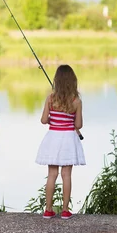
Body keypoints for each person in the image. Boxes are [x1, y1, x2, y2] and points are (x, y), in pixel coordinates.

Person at [35, 64, 85, 219]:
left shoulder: (50, 99)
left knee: (52, 174)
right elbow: (78, 125)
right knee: (66, 175)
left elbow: (43, 120)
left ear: (56, 80)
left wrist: (52, 119)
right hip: (68, 139)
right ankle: (64, 210)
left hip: (53, 137)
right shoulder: (76, 101)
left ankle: (48, 210)